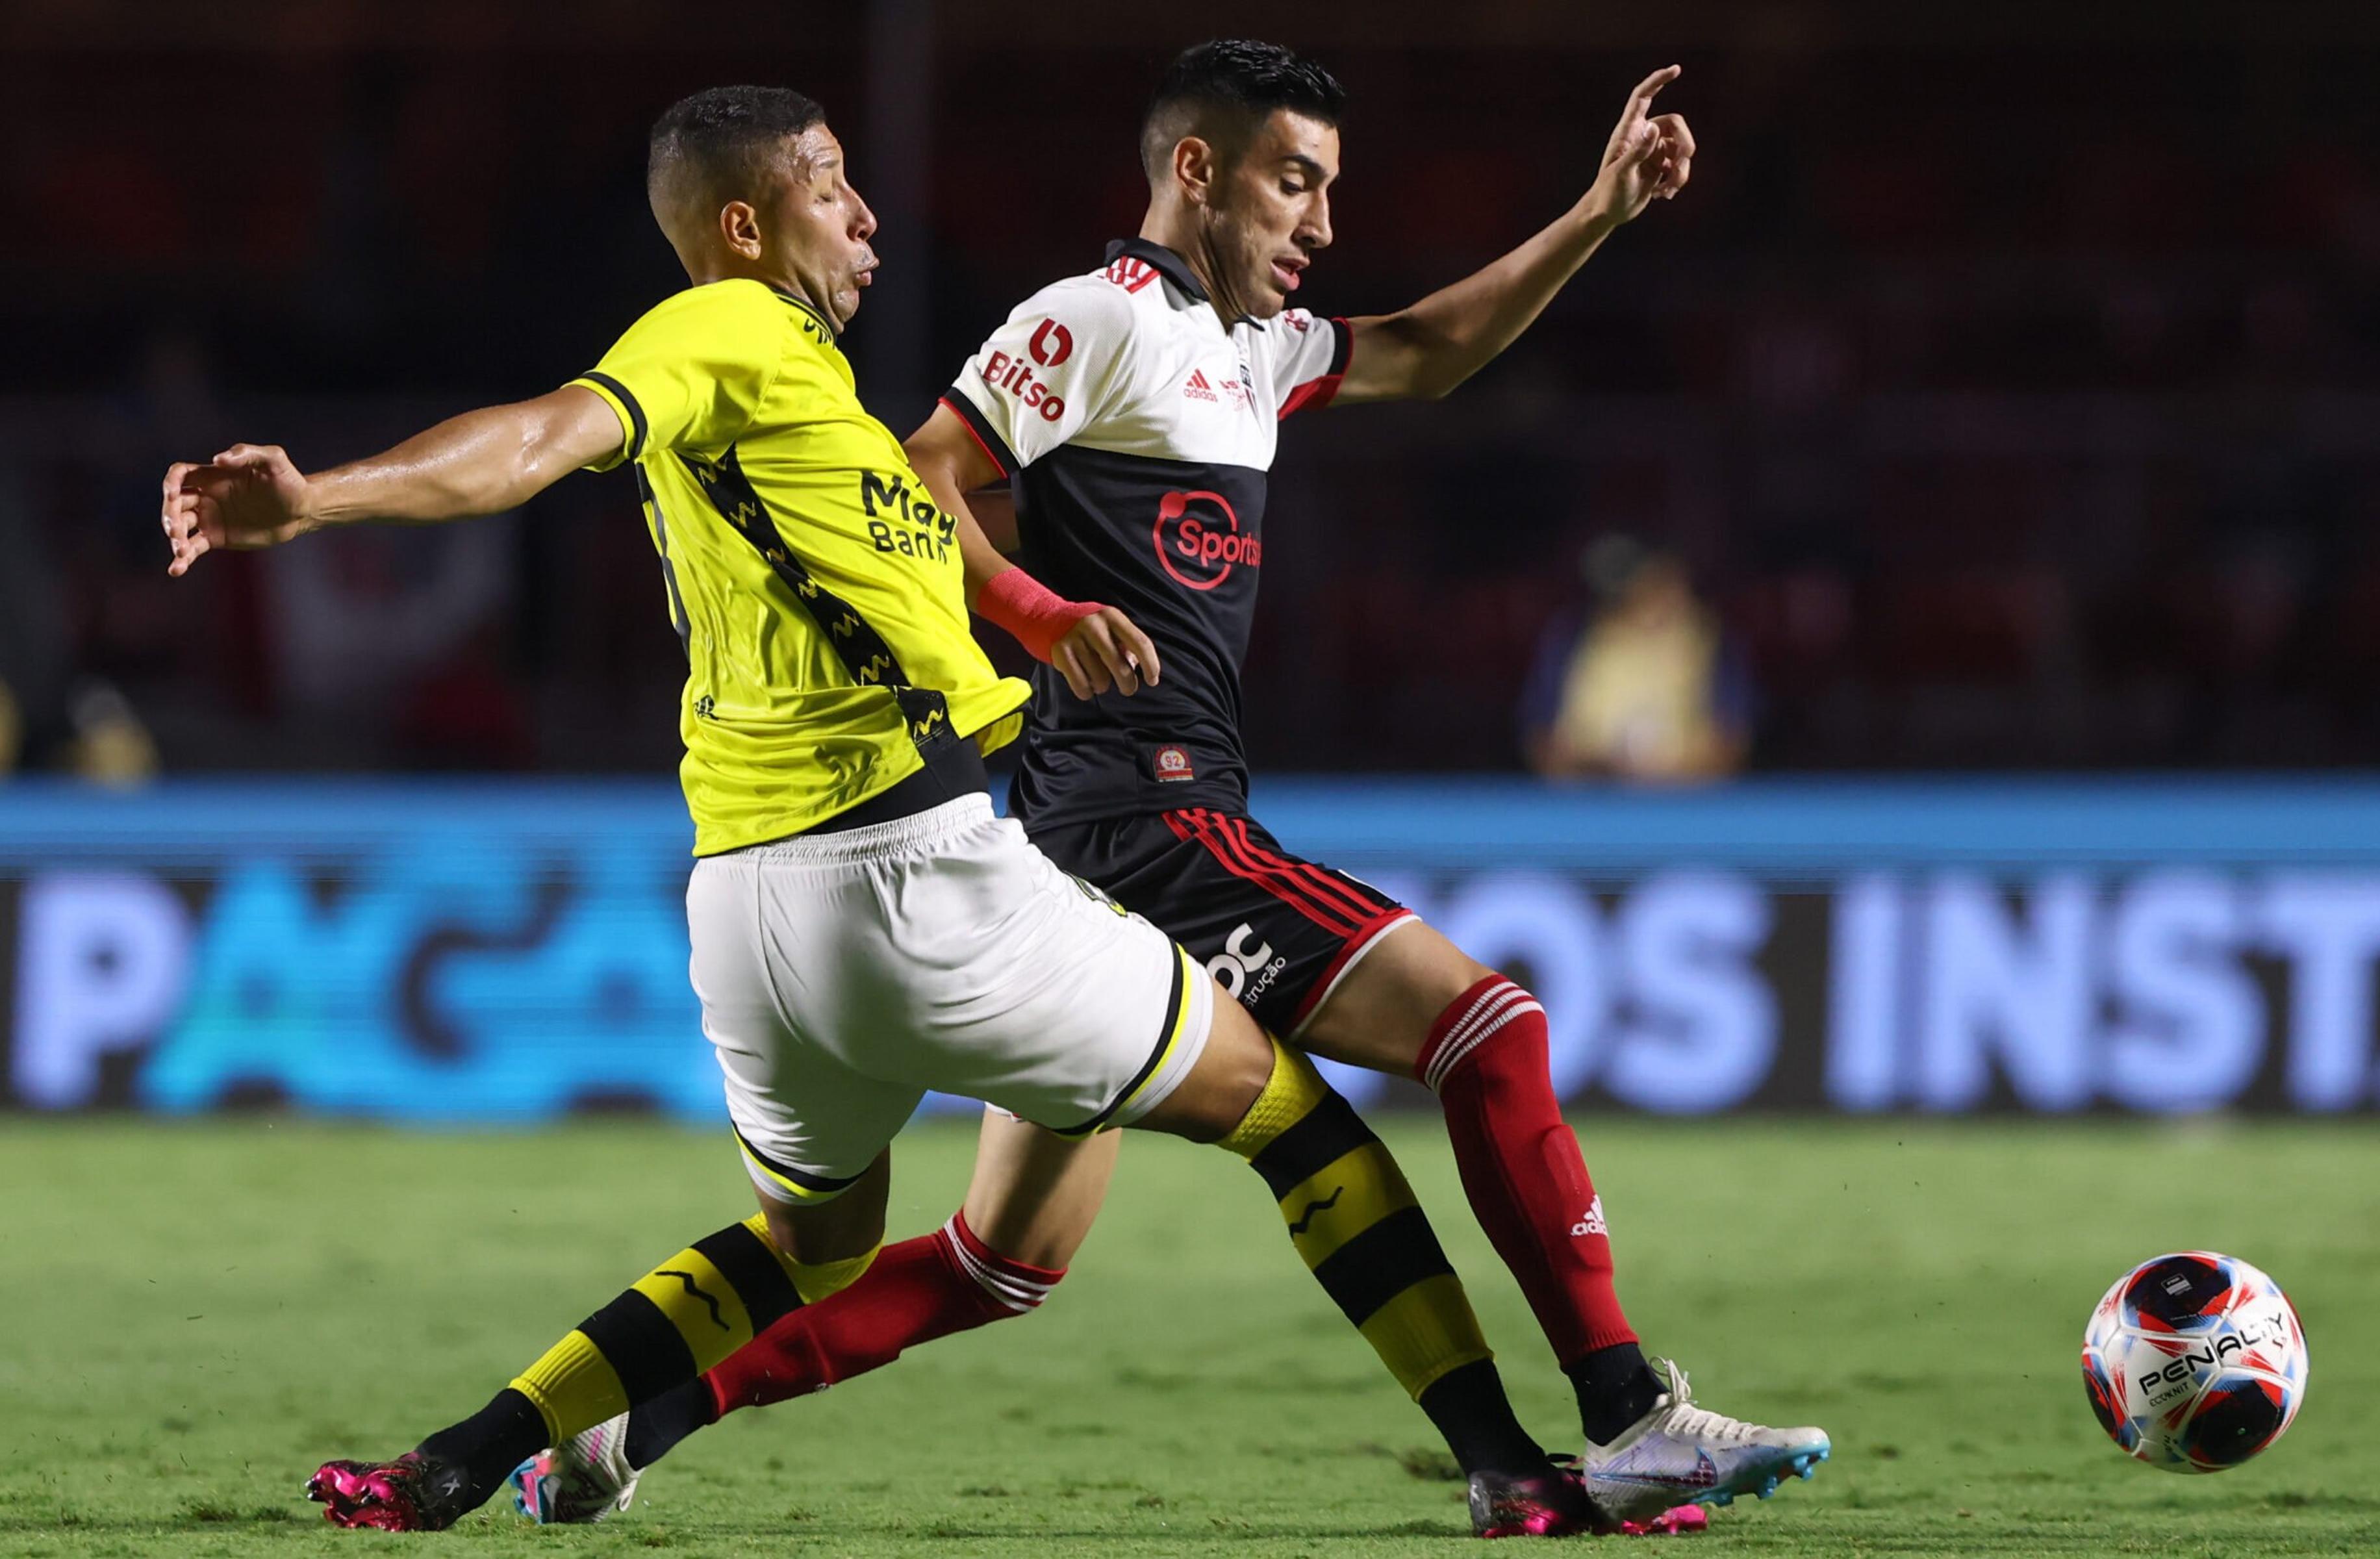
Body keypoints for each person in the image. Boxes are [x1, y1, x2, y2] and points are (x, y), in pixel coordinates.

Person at [159, 85, 1551, 1536]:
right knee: (1293, 1117)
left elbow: (911, 550)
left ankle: (457, 1455)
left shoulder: (812, 405)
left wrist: (1036, 607)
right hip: (915, 871)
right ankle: (1510, 1462)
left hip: (753, 916)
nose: (869, 212)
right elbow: (539, 436)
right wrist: (318, 500)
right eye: (831, 188)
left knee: (810, 1246)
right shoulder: (724, 330)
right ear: (746, 227)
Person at [535, 42, 1827, 1536]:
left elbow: (1426, 346)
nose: (1320, 225)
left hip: (1094, 837)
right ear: (1193, 171)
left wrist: (1598, 208)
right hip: (1138, 817)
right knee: (1488, 1024)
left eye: (1330, 192)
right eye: (1294, 183)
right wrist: (1036, 607)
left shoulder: (1252, 351)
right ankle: (1625, 1411)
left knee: (992, 1263)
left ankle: (627, 1431)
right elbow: (924, 464)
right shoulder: (1092, 321)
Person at [1522, 535, 1753, 782]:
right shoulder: (1573, 638)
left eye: (1659, 584)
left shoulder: (1711, 641)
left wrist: (1671, 772)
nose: (1645, 599)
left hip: (1685, 802)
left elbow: (1731, 744)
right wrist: (1593, 767)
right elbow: (1542, 742)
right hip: (1591, 799)